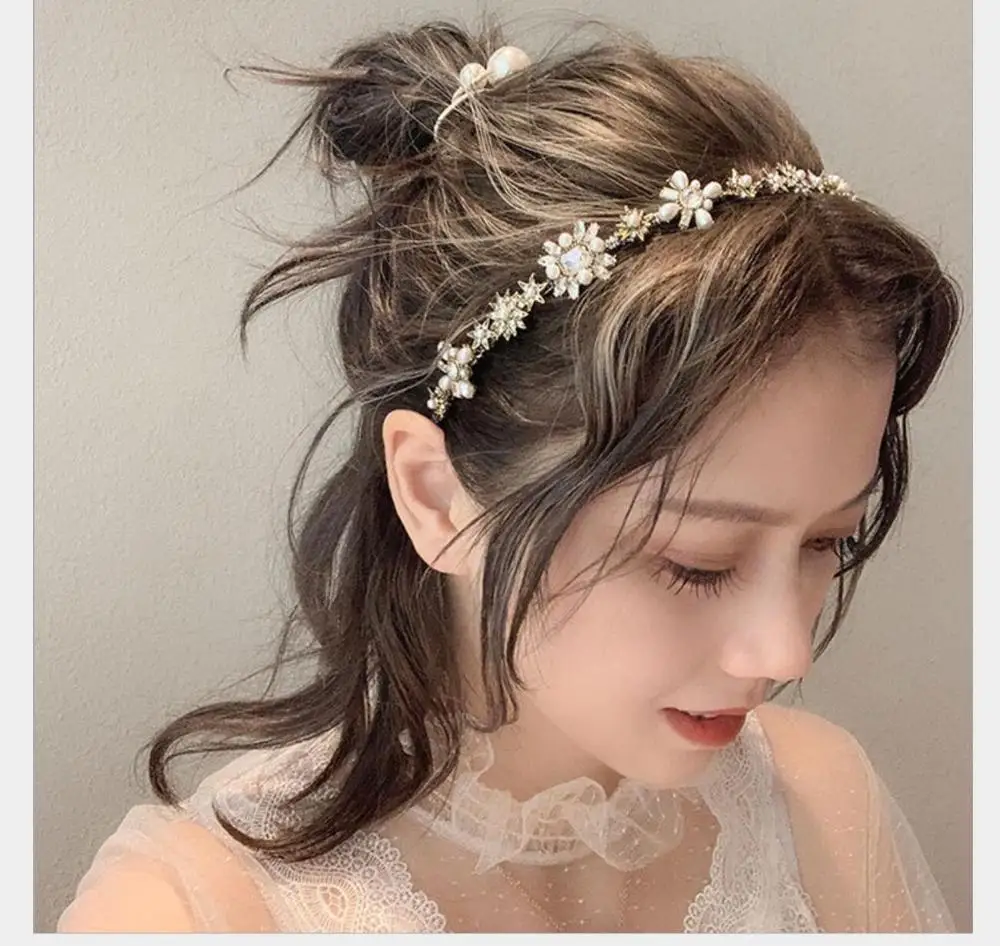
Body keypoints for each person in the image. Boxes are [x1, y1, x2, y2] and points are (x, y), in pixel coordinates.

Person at [56, 19, 962, 933]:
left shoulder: (821, 804)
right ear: (436, 496)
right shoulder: (189, 913)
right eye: (698, 562)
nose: (786, 653)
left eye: (825, 542)